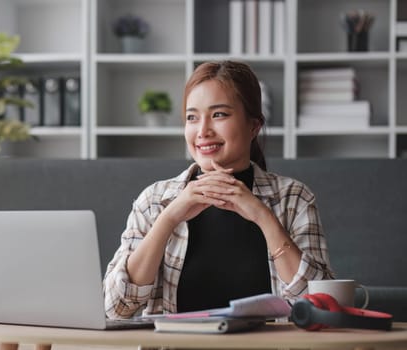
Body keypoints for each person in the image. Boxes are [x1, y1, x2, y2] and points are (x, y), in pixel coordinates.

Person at [103, 60, 333, 319]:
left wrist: (262, 216)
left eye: (219, 114)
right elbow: (116, 308)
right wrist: (168, 218)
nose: (202, 131)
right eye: (192, 117)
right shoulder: (154, 201)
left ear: (254, 125)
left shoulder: (293, 198)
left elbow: (320, 307)